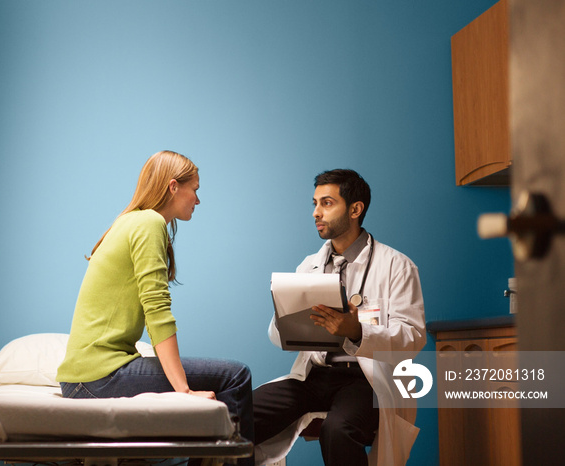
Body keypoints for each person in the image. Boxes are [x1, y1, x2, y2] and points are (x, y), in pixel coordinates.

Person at [56, 150, 254, 465]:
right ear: (173, 186)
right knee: (236, 376)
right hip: (97, 378)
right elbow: (157, 312)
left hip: (86, 377)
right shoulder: (148, 222)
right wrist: (184, 393)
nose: (198, 200)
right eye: (196, 190)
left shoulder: (130, 221)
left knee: (230, 375)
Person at [253, 169, 426, 466]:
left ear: (355, 209)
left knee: (338, 430)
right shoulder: (309, 267)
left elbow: (413, 336)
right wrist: (287, 319)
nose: (316, 213)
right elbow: (275, 335)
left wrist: (357, 331)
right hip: (314, 375)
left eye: (327, 203)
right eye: (315, 203)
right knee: (237, 415)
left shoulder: (397, 266)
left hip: (365, 381)